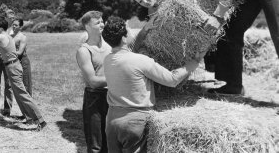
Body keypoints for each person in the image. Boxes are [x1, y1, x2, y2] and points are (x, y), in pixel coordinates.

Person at [102, 17, 200, 153]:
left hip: (112, 120)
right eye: (129, 31)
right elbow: (172, 79)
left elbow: (130, 54)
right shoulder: (140, 61)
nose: (131, 33)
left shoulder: (108, 59)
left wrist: (145, 30)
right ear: (124, 38)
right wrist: (194, 62)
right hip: (134, 122)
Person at [0, 18, 46, 130]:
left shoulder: (2, 37)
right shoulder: (6, 36)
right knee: (18, 94)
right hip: (13, 67)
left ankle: (40, 120)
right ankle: (29, 119)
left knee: (22, 94)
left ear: (0, 28)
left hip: (13, 67)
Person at [76, 11, 111, 153]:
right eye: (97, 22)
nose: (102, 24)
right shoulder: (84, 51)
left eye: (102, 21)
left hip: (113, 96)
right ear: (87, 27)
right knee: (96, 145)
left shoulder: (110, 46)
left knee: (111, 141)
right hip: (95, 98)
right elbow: (93, 82)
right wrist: (119, 78)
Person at [0, 9, 15, 115]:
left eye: (13, 17)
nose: (13, 19)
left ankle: (7, 109)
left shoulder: (13, 29)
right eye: (11, 17)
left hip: (6, 57)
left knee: (8, 83)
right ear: (6, 17)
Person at [11, 18, 32, 96]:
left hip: (23, 62)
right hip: (14, 62)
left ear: (20, 27)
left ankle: (29, 106)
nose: (13, 26)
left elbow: (19, 52)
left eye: (16, 25)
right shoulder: (11, 36)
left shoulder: (23, 37)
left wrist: (8, 53)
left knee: (26, 85)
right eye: (13, 24)